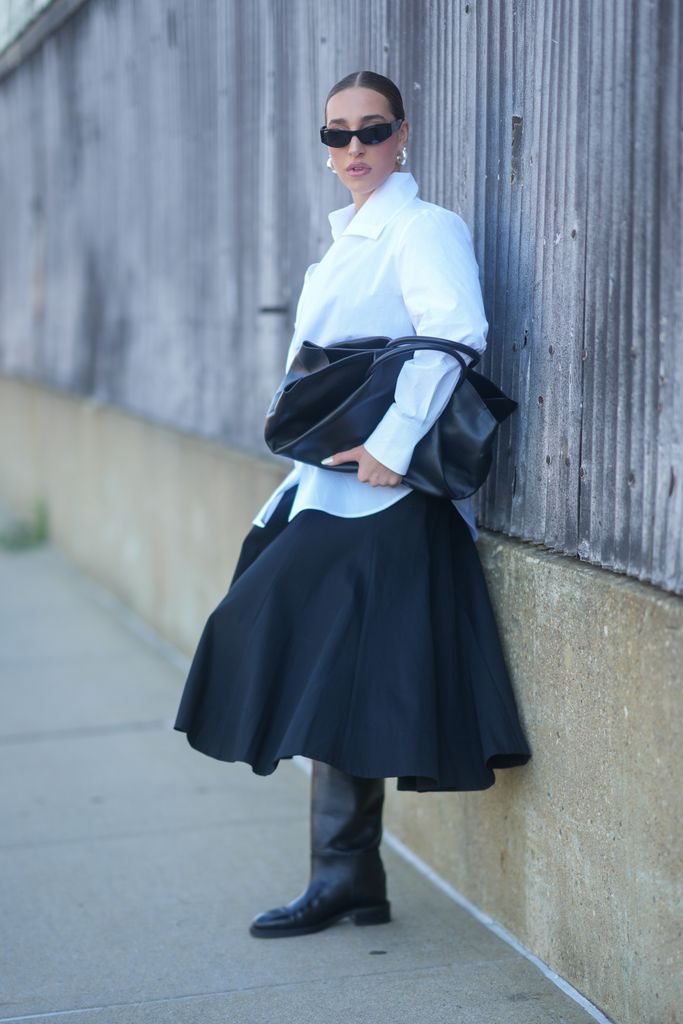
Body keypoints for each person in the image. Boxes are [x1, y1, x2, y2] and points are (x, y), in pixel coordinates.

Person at [174, 70, 531, 939]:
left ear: (402, 135)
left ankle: (344, 876)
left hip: (384, 495)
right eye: (336, 135)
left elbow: (455, 333)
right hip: (327, 489)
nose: (354, 150)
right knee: (331, 673)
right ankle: (348, 878)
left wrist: (392, 446)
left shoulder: (423, 227)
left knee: (262, 627)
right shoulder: (340, 245)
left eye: (371, 131)